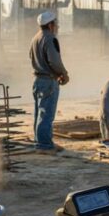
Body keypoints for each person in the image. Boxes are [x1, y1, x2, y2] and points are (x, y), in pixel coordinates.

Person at [28, 11, 69, 153]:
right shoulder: (50, 38)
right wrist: (63, 73)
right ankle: (44, 146)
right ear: (50, 25)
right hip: (48, 81)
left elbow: (31, 57)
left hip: (37, 80)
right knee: (46, 114)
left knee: (39, 113)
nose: (57, 27)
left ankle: (41, 142)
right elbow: (55, 61)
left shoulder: (35, 38)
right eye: (56, 24)